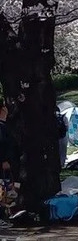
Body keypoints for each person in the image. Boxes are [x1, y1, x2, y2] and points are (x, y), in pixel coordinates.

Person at [0, 97, 19, 230]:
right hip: (2, 163)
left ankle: (4, 215)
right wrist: (4, 160)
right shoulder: (1, 127)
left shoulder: (3, 126)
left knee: (5, 189)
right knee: (2, 190)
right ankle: (1, 217)